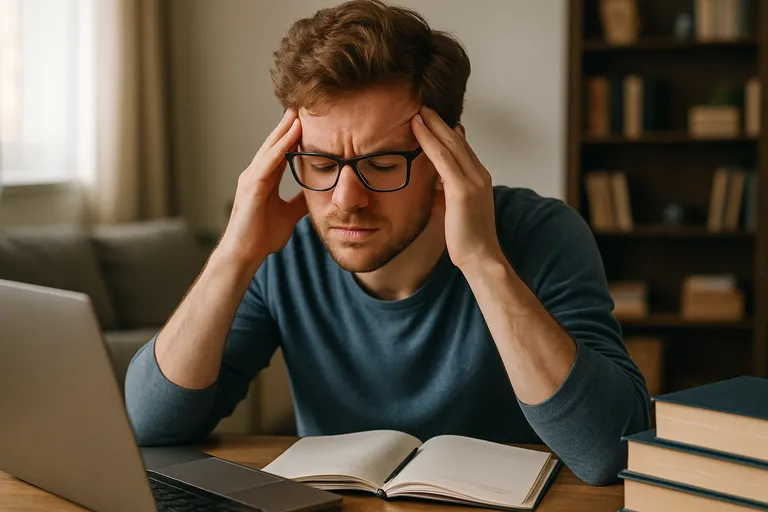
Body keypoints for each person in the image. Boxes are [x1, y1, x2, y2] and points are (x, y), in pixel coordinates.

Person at [125, 0, 649, 486]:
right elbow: (150, 425)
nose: (345, 199)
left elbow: (609, 451)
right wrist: (234, 255)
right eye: (322, 164)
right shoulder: (282, 250)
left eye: (381, 164)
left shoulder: (542, 233)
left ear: (447, 155)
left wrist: (483, 263)